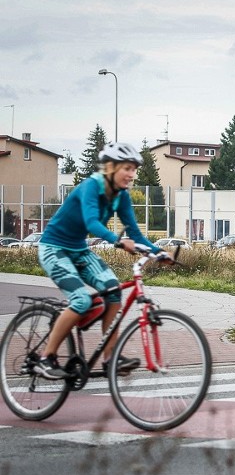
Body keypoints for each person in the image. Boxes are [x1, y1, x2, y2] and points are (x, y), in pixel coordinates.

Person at [34, 142, 169, 380]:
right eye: (127, 168)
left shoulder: (121, 197)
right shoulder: (90, 187)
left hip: (78, 249)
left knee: (114, 292)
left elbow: (136, 235)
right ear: (110, 167)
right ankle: (46, 357)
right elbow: (91, 223)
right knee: (81, 299)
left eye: (133, 169)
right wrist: (117, 241)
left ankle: (110, 359)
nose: (131, 174)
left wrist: (158, 252)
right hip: (54, 248)